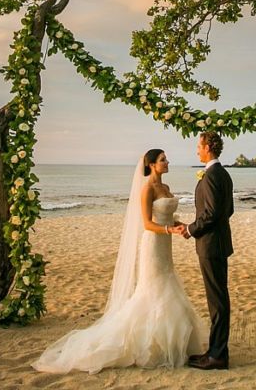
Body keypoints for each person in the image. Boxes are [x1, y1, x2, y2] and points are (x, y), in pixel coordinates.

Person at [32, 149, 207, 373]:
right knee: (153, 290)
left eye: (166, 159)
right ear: (152, 165)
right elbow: (147, 224)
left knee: (168, 284)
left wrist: (181, 225)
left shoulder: (165, 188)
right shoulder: (147, 190)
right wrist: (169, 230)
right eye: (163, 160)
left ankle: (171, 344)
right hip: (153, 244)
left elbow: (167, 216)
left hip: (166, 245)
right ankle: (149, 346)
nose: (167, 162)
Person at [176, 130, 234, 370]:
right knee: (218, 299)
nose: (196, 150)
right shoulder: (224, 174)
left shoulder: (211, 176)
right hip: (218, 243)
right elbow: (227, 211)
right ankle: (215, 351)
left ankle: (217, 356)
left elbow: (209, 214)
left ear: (208, 147)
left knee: (217, 301)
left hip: (211, 245)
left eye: (198, 146)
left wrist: (190, 229)